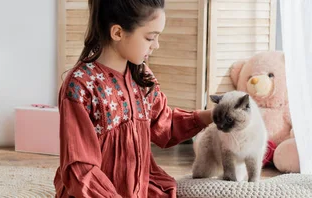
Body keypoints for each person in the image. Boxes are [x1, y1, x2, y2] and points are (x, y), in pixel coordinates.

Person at [53, 0, 214, 197]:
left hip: (141, 187)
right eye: (150, 38)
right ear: (118, 33)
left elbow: (164, 126)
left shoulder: (142, 76)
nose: (156, 45)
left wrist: (211, 116)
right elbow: (80, 169)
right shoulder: (80, 86)